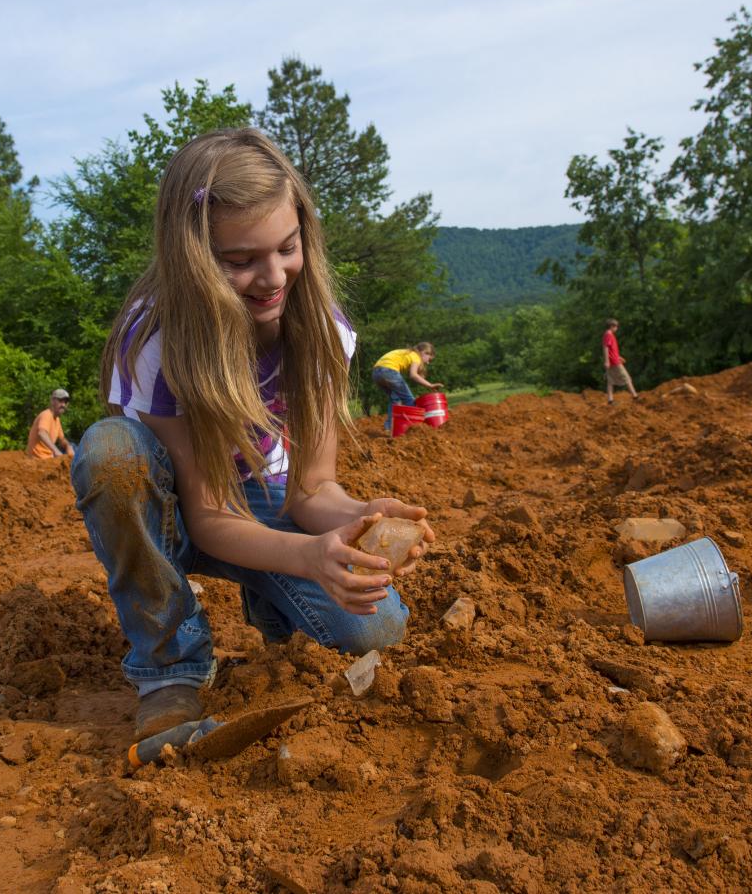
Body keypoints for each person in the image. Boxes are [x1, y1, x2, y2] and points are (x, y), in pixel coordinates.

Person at [69, 128, 435, 742]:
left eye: (287, 248)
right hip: (171, 511)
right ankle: (170, 665)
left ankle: (271, 606)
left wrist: (357, 516)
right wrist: (307, 558)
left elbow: (311, 489)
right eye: (239, 261)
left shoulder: (321, 330)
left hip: (255, 498)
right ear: (192, 258)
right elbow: (207, 516)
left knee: (374, 631)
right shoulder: (156, 341)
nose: (273, 278)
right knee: (109, 454)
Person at [371, 343, 445, 432]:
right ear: (424, 352)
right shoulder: (416, 357)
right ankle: (416, 427)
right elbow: (413, 375)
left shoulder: (407, 353)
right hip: (389, 371)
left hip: (376, 373)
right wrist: (430, 385)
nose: (428, 362)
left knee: (395, 399)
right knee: (409, 399)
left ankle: (389, 428)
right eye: (429, 359)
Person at [26, 388, 75, 459]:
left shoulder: (57, 419)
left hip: (49, 458)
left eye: (65, 402)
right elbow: (41, 433)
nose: (63, 405)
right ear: (52, 401)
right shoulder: (46, 415)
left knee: (73, 446)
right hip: (39, 459)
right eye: (60, 401)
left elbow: (62, 439)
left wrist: (68, 446)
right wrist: (56, 451)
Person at [602, 319, 637, 404]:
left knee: (610, 380)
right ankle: (635, 396)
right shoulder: (608, 335)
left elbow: (611, 349)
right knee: (627, 378)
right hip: (613, 362)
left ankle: (610, 400)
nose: (617, 328)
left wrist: (619, 357)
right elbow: (605, 348)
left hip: (614, 360)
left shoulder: (608, 335)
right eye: (616, 326)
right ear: (611, 326)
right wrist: (607, 361)